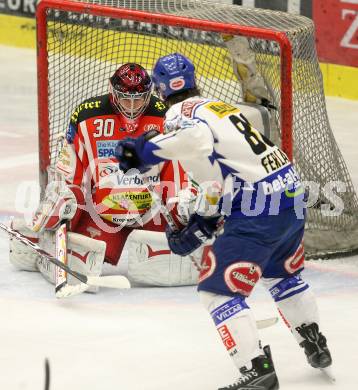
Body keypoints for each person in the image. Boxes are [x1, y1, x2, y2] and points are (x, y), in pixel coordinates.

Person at [115, 53, 332, 390]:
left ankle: (257, 370)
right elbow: (218, 181)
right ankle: (314, 342)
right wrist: (200, 226)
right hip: (290, 194)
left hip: (260, 206)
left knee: (217, 292)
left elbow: (195, 140)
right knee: (281, 275)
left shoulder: (179, 114)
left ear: (159, 89)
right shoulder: (217, 108)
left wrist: (144, 152)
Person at [9, 62, 199, 297]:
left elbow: (176, 169)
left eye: (139, 99)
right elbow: (71, 171)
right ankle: (42, 235)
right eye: (125, 99)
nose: (132, 106)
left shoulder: (166, 116)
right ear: (113, 91)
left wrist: (183, 202)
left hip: (151, 210)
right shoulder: (87, 115)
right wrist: (63, 199)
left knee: (185, 208)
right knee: (66, 200)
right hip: (101, 214)